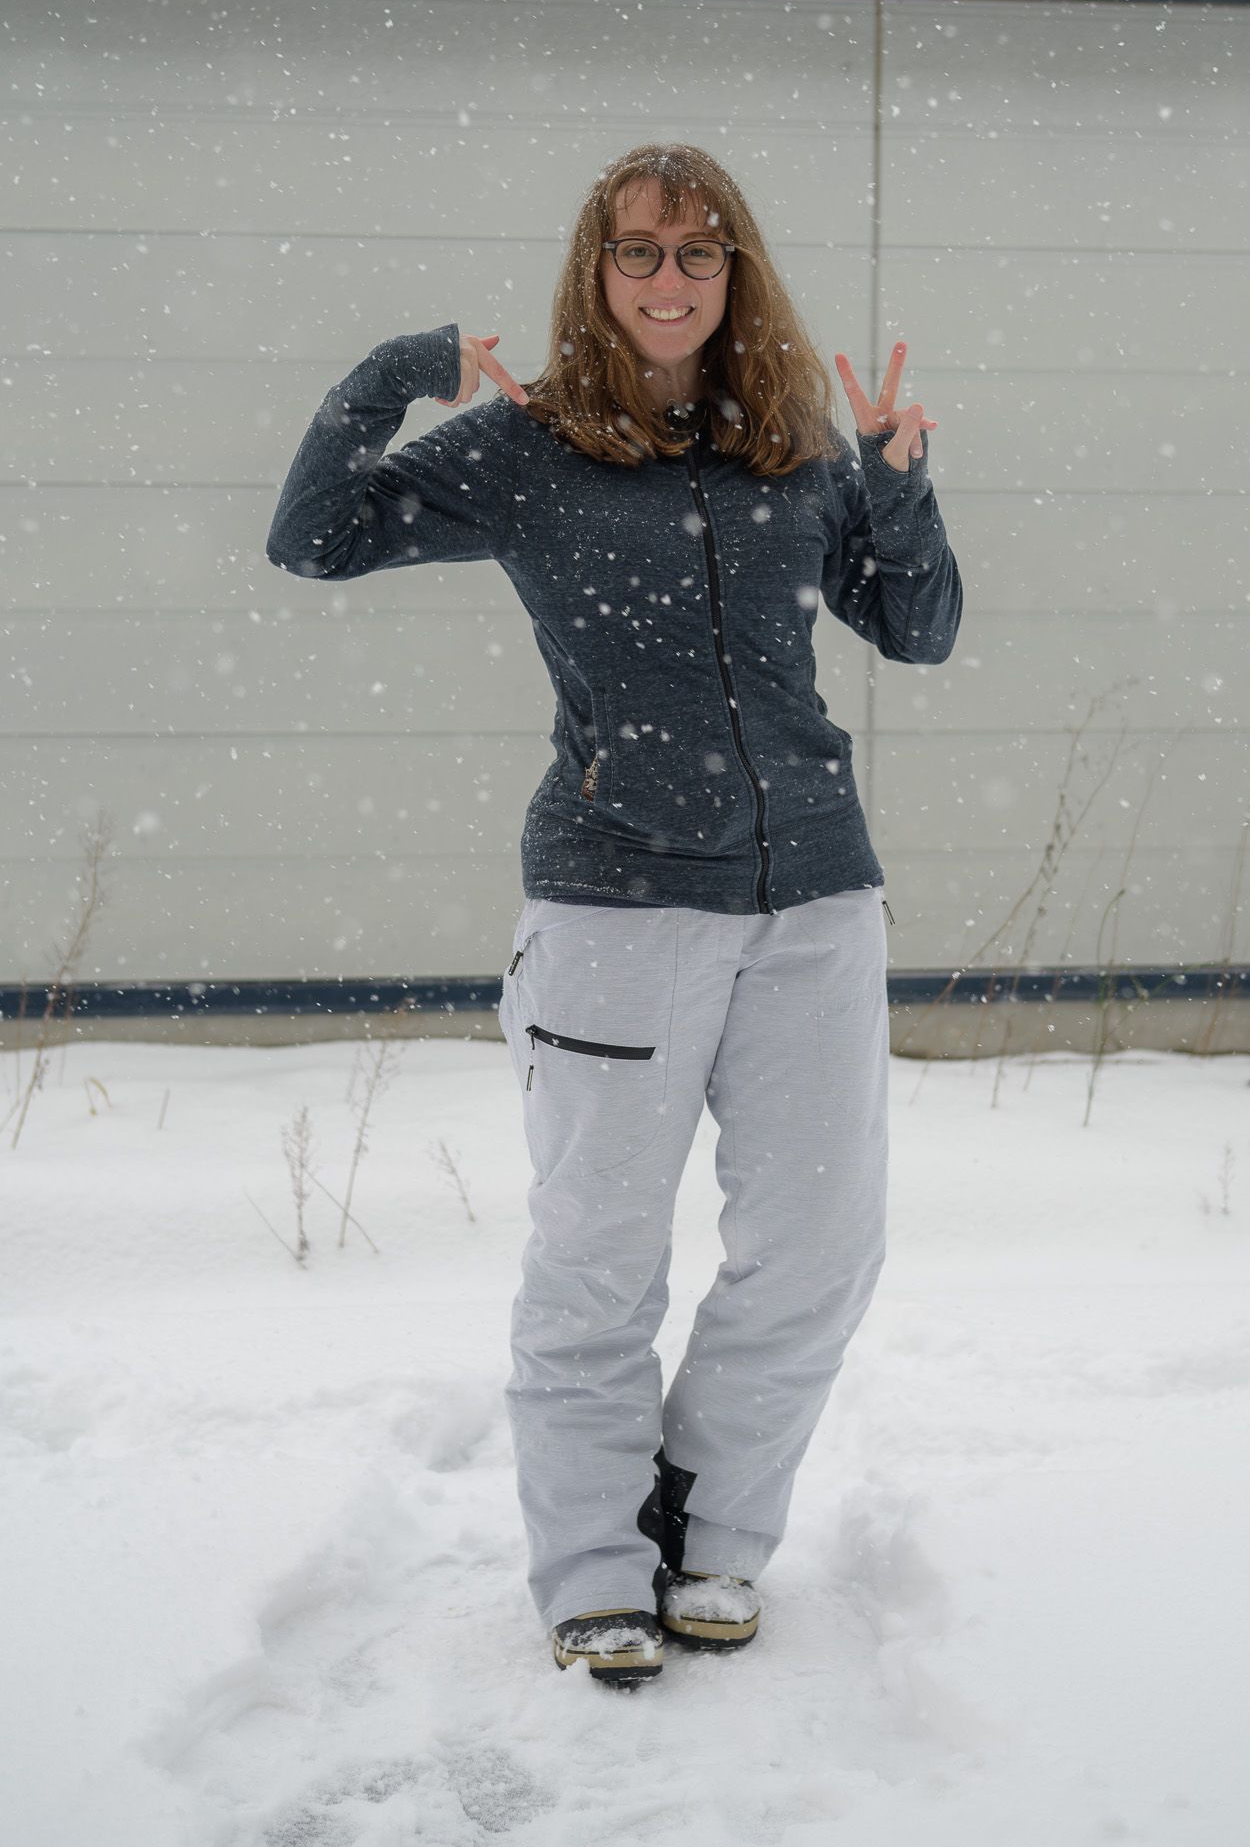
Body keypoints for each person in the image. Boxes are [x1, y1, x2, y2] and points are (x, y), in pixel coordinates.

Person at [267, 141, 963, 1688]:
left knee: (819, 1247)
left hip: (816, 900)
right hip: (617, 904)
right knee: (598, 1259)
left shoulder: (796, 444)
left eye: (698, 253)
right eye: (638, 251)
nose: (668, 279)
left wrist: (899, 484)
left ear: (735, 275)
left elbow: (915, 630)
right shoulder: (530, 446)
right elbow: (314, 538)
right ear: (597, 272)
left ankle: (705, 1528)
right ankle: (593, 1568)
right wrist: (395, 374)